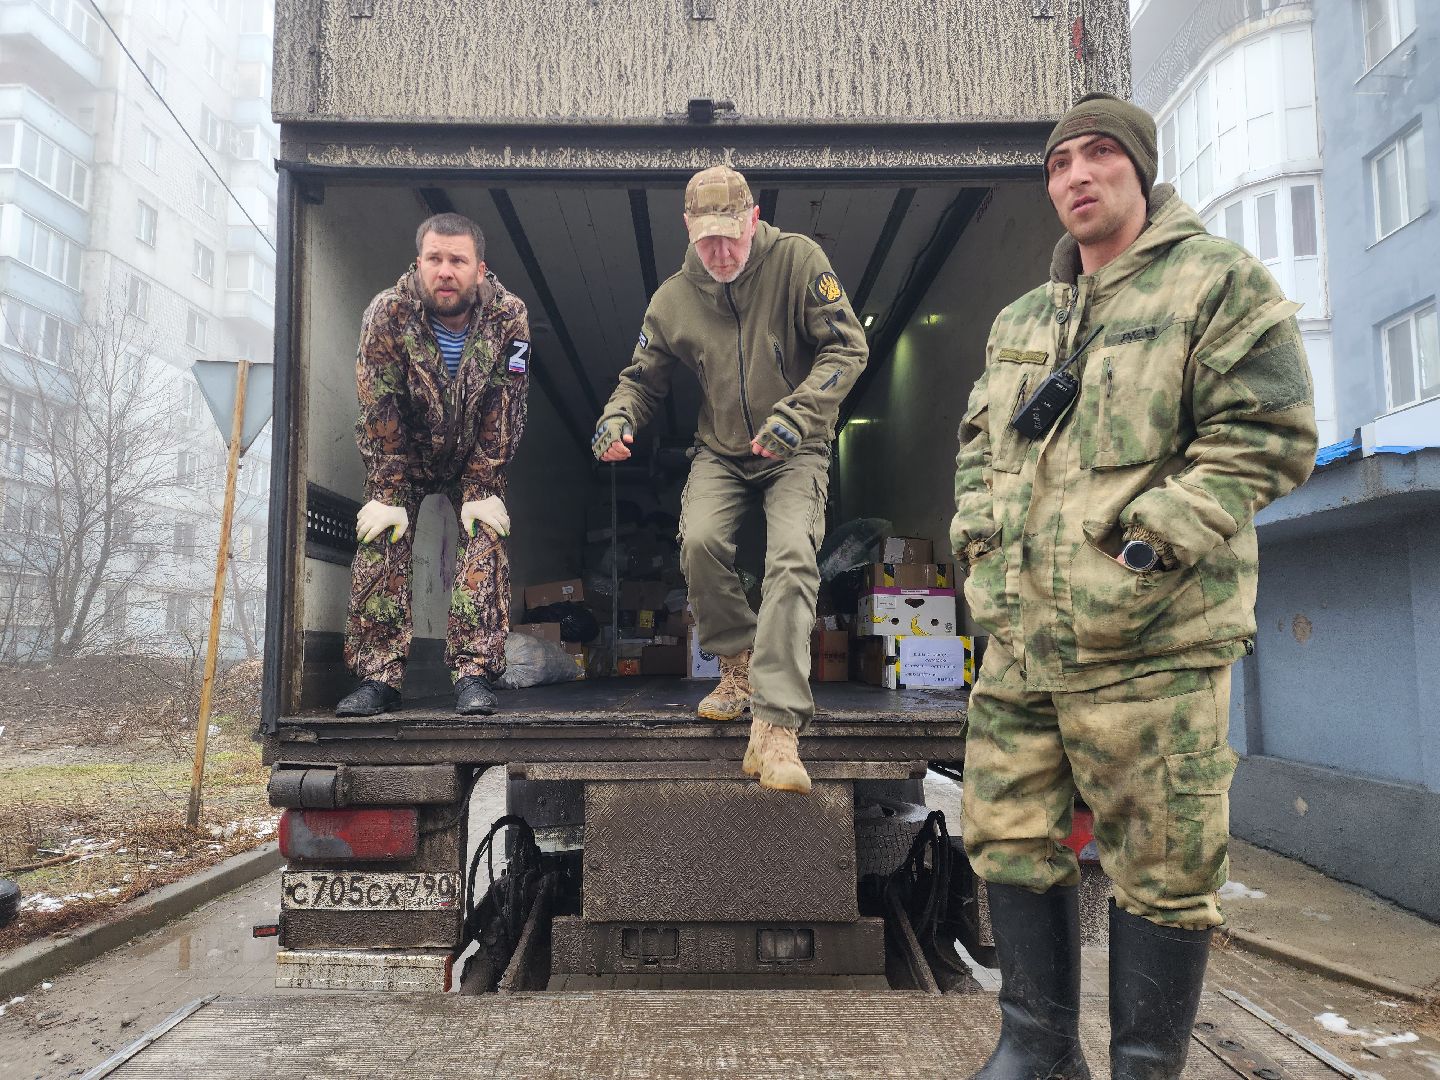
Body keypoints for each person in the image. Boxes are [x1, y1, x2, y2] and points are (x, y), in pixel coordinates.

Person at [951, 94, 1317, 1079]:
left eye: (1099, 154)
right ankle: (1036, 1046)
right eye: (1059, 162)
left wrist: (1149, 542)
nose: (1076, 175)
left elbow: (1267, 439)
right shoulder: (1024, 318)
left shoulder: (1218, 284)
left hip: (1152, 643)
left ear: (1140, 171)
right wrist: (978, 542)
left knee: (1162, 867)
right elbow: (980, 448)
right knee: (1009, 838)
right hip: (1024, 645)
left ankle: (1147, 1064)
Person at [593, 165, 867, 793]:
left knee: (792, 558)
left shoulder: (798, 262)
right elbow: (641, 378)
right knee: (699, 543)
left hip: (795, 450)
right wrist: (616, 418)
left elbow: (847, 349)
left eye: (731, 235)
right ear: (688, 228)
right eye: (706, 238)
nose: (720, 251)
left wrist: (796, 418)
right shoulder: (672, 299)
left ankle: (775, 728)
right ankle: (737, 662)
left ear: (752, 217)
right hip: (720, 450)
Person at [335, 213, 530, 718]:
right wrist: (388, 490)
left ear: (480, 269)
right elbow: (379, 404)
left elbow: (506, 401)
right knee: (381, 534)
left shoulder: (510, 318)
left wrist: (485, 481)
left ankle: (473, 674)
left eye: (457, 261)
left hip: (474, 456)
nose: (445, 271)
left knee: (486, 534)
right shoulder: (387, 314)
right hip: (406, 454)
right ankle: (378, 678)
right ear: (418, 264)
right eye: (435, 260)